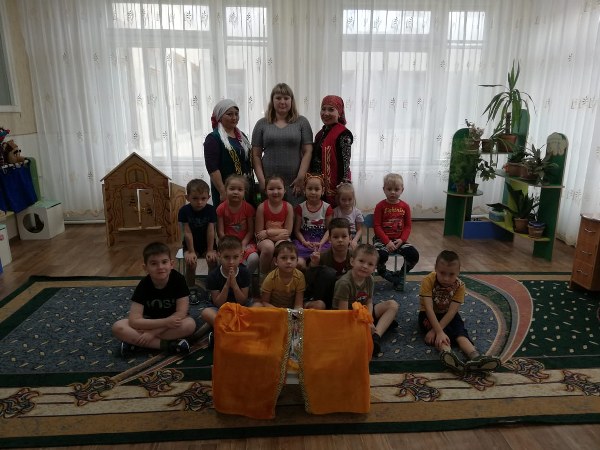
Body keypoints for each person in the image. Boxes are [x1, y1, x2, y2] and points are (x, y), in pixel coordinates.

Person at [419, 250, 501, 374]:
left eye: (451, 274)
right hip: (429, 315)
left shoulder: (460, 286)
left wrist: (438, 330)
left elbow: (452, 312)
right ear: (435, 268)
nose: (446, 278)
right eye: (442, 273)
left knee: (460, 333)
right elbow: (429, 308)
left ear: (458, 272)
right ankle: (448, 354)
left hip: (448, 314)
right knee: (440, 338)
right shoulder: (428, 280)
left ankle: (476, 358)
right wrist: (438, 331)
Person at [112, 242, 196, 357]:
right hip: (150, 323)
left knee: (190, 325)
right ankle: (168, 345)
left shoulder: (179, 280)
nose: (160, 267)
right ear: (145, 268)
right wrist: (164, 322)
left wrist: (152, 333)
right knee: (118, 327)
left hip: (171, 324)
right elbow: (134, 320)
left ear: (171, 264)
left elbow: (181, 313)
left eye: (164, 262)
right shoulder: (143, 285)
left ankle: (137, 342)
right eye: (154, 263)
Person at [332, 243, 399, 358]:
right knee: (351, 341)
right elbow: (343, 314)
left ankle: (375, 337)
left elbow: (368, 301)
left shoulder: (370, 279)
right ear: (352, 261)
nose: (365, 266)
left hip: (362, 312)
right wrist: (365, 323)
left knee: (393, 305)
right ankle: (378, 327)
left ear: (374, 268)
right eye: (361, 261)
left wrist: (369, 320)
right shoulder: (344, 283)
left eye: (370, 264)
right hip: (346, 317)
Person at [252, 83, 313, 206]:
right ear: (272, 100)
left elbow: (308, 151)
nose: (282, 101)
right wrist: (262, 181)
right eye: (278, 98)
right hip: (270, 184)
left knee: (294, 215)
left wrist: (301, 178)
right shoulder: (261, 124)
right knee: (271, 215)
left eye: (286, 98)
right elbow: (255, 155)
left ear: (291, 100)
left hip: (295, 183)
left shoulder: (302, 122)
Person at [201, 236, 253, 345]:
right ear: (219, 255)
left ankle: (223, 332)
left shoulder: (245, 273)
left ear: (241, 256)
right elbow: (218, 303)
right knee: (206, 313)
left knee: (258, 306)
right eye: (226, 257)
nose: (231, 262)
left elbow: (242, 301)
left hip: (240, 308)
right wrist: (227, 285)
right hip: (221, 310)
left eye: (235, 257)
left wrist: (234, 285)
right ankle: (238, 332)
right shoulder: (213, 276)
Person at [373, 173, 420, 291]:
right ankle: (384, 272)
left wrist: (402, 240)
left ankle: (400, 275)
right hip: (382, 240)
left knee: (413, 255)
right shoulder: (380, 206)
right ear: (384, 189)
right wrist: (387, 242)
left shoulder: (405, 206)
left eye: (396, 189)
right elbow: (377, 226)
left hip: (399, 240)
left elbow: (408, 226)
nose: (393, 192)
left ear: (402, 190)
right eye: (389, 189)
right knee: (379, 255)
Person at [204, 99, 254, 206]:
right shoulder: (213, 138)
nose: (234, 117)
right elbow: (212, 168)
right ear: (220, 116)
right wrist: (222, 191)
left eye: (236, 114)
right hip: (228, 191)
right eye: (229, 114)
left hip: (245, 188)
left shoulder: (242, 136)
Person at [178, 179, 218, 299]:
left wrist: (210, 250)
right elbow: (187, 232)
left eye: (203, 198)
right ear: (187, 197)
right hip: (190, 245)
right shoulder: (184, 211)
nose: (199, 202)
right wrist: (191, 251)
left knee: (212, 261)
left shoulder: (211, 210)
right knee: (191, 263)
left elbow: (211, 231)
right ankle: (191, 288)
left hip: (208, 244)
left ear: (208, 197)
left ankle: (211, 287)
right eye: (195, 198)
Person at [310, 95, 353, 206]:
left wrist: (343, 186)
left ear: (339, 113)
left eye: (331, 109)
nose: (326, 113)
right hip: (318, 186)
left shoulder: (343, 134)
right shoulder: (320, 134)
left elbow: (345, 163)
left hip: (335, 187)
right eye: (323, 109)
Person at [305, 217, 354, 309]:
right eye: (336, 237)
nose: (340, 240)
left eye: (344, 236)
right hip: (325, 298)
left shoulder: (355, 257)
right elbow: (310, 281)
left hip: (346, 298)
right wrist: (314, 264)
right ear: (329, 239)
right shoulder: (322, 256)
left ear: (350, 238)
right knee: (328, 273)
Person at [216, 174, 259, 276]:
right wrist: (228, 244)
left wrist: (243, 244)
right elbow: (220, 232)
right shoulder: (221, 208)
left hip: (245, 242)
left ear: (244, 192)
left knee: (254, 258)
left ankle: (244, 279)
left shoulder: (249, 208)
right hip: (228, 243)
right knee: (222, 259)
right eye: (232, 189)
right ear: (226, 190)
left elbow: (250, 231)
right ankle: (227, 279)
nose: (235, 192)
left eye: (240, 189)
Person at [255, 174, 294, 282]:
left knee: (281, 247)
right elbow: (259, 234)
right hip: (264, 240)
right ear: (265, 191)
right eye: (271, 189)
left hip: (280, 237)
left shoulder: (288, 207)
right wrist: (275, 235)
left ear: (284, 190)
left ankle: (275, 277)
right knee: (269, 247)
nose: (275, 192)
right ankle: (263, 276)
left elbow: (288, 231)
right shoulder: (262, 207)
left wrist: (268, 232)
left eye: (279, 188)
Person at [293, 173, 333, 268]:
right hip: (305, 241)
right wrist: (304, 242)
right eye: (310, 189)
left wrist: (321, 243)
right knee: (299, 263)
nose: (313, 192)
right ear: (304, 190)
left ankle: (313, 270)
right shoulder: (300, 208)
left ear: (322, 191)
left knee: (322, 260)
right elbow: (297, 230)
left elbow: (329, 230)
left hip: (322, 241)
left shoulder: (327, 208)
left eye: (317, 189)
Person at [253, 241, 307, 309]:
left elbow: (298, 304)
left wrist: (293, 313)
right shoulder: (271, 278)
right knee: (257, 305)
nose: (288, 261)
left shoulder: (300, 276)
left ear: (297, 261)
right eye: (283, 258)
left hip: (291, 311)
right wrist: (280, 312)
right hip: (273, 310)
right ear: (276, 261)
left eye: (292, 258)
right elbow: (265, 302)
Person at [332, 182, 364, 250]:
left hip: (353, 235)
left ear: (353, 198)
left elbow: (359, 230)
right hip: (339, 235)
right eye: (343, 200)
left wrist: (355, 240)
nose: (347, 203)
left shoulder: (357, 212)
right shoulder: (335, 211)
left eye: (350, 199)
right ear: (339, 199)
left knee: (354, 250)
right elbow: (333, 228)